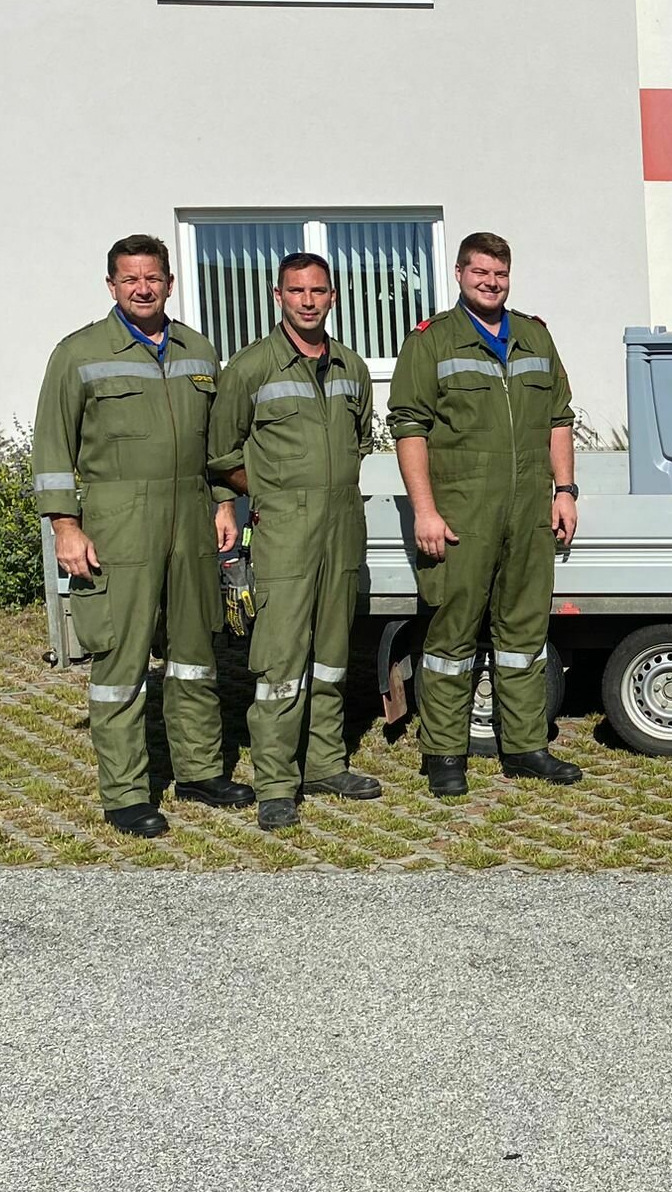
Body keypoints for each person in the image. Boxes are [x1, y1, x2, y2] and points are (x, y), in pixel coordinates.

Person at [33, 234, 254, 836]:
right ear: (111, 286)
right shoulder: (79, 352)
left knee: (194, 654)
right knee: (121, 659)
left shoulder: (200, 351)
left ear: (169, 283)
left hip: (191, 516)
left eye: (152, 277)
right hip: (116, 520)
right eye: (129, 279)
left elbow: (217, 445)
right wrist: (65, 524)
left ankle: (201, 772)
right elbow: (52, 445)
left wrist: (224, 502)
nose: (142, 287)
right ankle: (127, 793)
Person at [387, 232, 583, 795]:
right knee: (452, 635)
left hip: (527, 514)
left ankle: (524, 747)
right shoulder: (431, 341)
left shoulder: (535, 337)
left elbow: (559, 417)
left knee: (524, 633)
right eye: (480, 273)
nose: (491, 283)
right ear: (458, 274)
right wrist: (424, 509)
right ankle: (444, 754)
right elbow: (409, 427)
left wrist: (564, 490)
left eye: (500, 274)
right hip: (461, 514)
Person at [208, 252, 383, 831]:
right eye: (296, 290)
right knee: (280, 657)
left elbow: (360, 439)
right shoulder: (251, 368)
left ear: (334, 296)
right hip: (283, 529)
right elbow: (221, 453)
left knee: (332, 654)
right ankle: (277, 781)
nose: (308, 300)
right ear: (276, 295)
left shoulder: (351, 367)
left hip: (341, 526)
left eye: (318, 290)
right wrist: (270, 490)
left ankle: (325, 763)